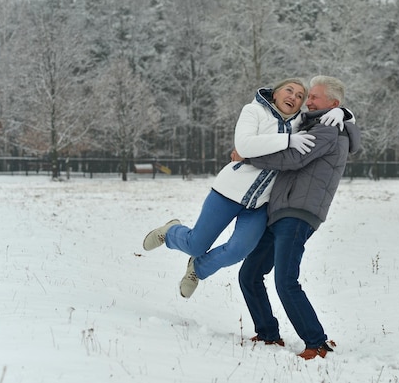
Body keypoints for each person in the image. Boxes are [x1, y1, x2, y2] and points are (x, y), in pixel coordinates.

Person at [142, 78, 347, 299]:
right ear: (275, 93)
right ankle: (171, 232)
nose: (294, 97)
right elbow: (245, 145)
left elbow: (326, 110)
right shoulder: (254, 111)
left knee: (238, 250)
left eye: (300, 96)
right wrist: (287, 140)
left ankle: (197, 269)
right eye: (289, 90)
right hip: (228, 192)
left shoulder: (300, 122)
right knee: (196, 244)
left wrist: (344, 113)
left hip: (260, 204)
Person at [237, 75, 361, 360]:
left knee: (285, 280)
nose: (309, 101)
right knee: (250, 274)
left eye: (315, 97)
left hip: (299, 212)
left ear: (333, 103)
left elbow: (292, 158)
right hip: (281, 210)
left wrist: (248, 157)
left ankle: (316, 343)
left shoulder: (330, 129)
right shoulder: (317, 122)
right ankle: (268, 333)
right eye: (310, 96)